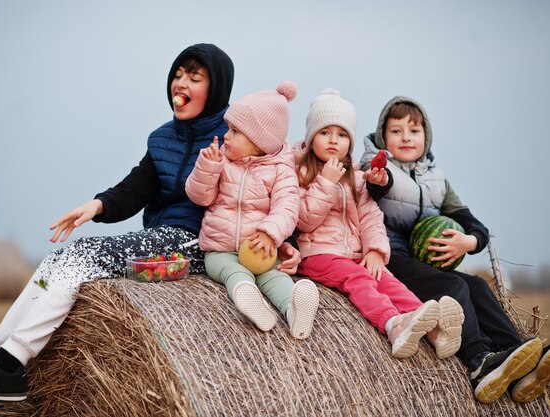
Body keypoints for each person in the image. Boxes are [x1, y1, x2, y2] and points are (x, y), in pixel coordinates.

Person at [0, 43, 301, 412]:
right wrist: (96, 205)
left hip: (193, 246)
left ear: (216, 88)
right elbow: (134, 188)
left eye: (194, 77)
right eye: (178, 74)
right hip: (156, 238)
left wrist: (285, 241)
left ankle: (8, 366)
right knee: (57, 261)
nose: (180, 83)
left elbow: (275, 184)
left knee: (81, 261)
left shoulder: (237, 136)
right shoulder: (162, 139)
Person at [359, 95, 548, 403]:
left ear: (426, 136)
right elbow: (374, 186)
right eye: (396, 131)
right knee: (453, 284)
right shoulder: (376, 167)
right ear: (383, 136)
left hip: (426, 264)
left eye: (414, 130)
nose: (406, 137)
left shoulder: (437, 180)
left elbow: (474, 226)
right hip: (391, 261)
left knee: (475, 284)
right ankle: (478, 360)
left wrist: (468, 241)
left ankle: (519, 355)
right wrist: (376, 180)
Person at [294, 89, 465, 359]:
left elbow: (371, 216)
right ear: (311, 137)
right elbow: (303, 220)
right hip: (318, 254)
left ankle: (431, 327)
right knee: (360, 279)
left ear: (349, 142)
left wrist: (374, 250)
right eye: (324, 133)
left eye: (341, 135)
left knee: (387, 279)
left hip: (354, 254)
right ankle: (393, 324)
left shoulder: (356, 177)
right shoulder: (302, 173)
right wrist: (325, 183)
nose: (333, 141)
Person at [185, 81, 320, 339]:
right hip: (220, 248)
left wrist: (270, 233)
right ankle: (248, 296)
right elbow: (199, 196)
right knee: (234, 272)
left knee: (275, 277)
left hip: (259, 248)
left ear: (260, 143)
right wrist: (207, 168)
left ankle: (293, 309)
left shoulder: (281, 170)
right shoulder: (222, 161)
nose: (226, 135)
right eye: (229, 128)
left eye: (236, 131)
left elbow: (287, 207)